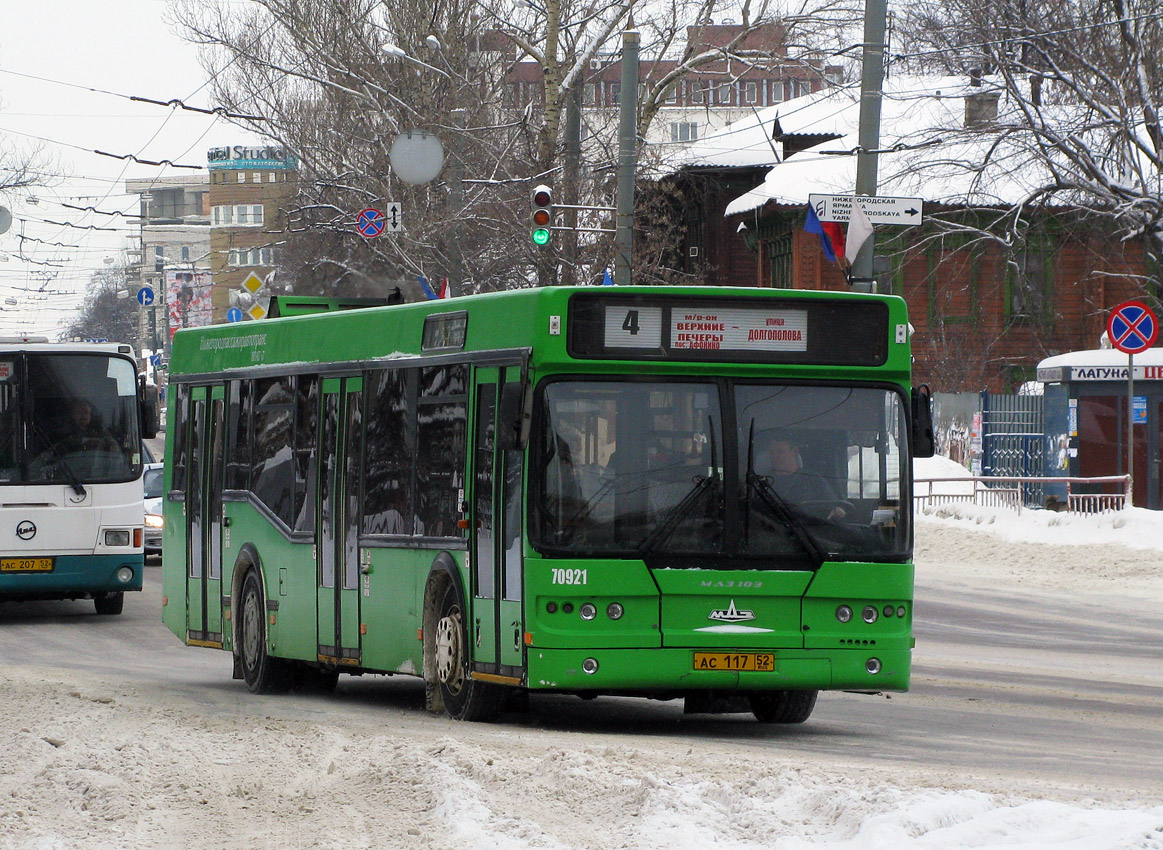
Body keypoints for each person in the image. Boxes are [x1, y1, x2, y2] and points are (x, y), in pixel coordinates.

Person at [753, 433, 847, 520]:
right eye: (771, 453)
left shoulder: (814, 479)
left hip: (810, 531)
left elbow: (834, 506)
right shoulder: (763, 482)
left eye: (780, 452)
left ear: (795, 451)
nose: (774, 456)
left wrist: (837, 510)